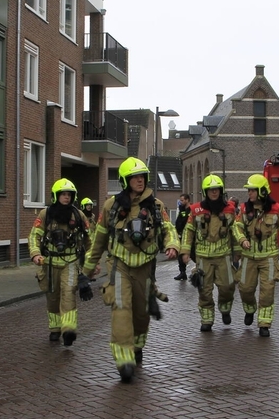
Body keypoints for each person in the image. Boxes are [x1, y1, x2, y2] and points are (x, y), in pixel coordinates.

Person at [83, 157, 179, 382]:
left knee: (141, 313)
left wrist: (173, 245)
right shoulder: (111, 206)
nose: (139, 180)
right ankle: (124, 359)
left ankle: (137, 346)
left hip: (145, 268)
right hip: (119, 266)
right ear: (125, 180)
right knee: (121, 308)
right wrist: (85, 273)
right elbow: (99, 240)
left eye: (142, 176)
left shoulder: (156, 206)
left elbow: (168, 229)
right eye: (134, 177)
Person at [29, 178, 93, 346]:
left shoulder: (79, 216)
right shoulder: (46, 215)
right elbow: (34, 235)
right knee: (52, 297)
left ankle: (68, 330)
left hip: (71, 262)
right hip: (49, 264)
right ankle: (55, 328)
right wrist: (35, 254)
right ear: (56, 196)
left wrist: (89, 263)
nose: (66, 197)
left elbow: (90, 241)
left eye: (69, 195)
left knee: (68, 293)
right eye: (63, 194)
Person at [235, 174, 279, 337]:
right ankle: (250, 309)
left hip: (269, 258)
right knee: (245, 289)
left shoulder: (276, 209)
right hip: (248, 257)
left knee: (267, 292)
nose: (249, 193)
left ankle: (264, 324)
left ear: (262, 192)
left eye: (252, 190)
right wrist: (242, 240)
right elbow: (237, 227)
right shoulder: (244, 209)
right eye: (249, 190)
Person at [180, 175, 241, 333]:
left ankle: (225, 308)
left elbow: (235, 231)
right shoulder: (195, 210)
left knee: (227, 287)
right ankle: (207, 320)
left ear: (221, 191)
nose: (214, 192)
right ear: (205, 192)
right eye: (211, 190)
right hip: (203, 258)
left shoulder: (229, 210)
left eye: (216, 190)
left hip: (223, 256)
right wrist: (185, 252)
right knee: (204, 291)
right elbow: (188, 231)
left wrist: (237, 252)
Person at [173, 193, 192, 281]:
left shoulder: (191, 210)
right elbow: (178, 221)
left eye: (182, 200)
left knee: (193, 254)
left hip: (190, 236)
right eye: (180, 200)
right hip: (181, 235)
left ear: (187, 200)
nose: (181, 202)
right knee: (181, 255)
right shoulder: (181, 210)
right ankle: (182, 273)